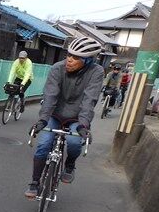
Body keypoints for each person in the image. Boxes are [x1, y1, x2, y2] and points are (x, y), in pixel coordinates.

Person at [24, 37, 104, 199]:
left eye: (76, 57)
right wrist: (42, 120)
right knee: (43, 144)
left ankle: (70, 164)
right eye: (69, 55)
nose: (70, 59)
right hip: (54, 114)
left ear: (88, 61)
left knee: (74, 142)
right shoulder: (57, 68)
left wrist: (83, 125)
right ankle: (35, 182)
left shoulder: (96, 72)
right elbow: (50, 96)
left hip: (77, 117)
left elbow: (90, 99)